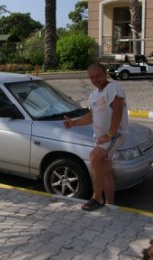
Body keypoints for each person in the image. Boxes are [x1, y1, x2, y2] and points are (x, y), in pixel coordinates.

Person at [63, 63, 129, 211]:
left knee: (94, 157)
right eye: (92, 77)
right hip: (101, 138)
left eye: (98, 75)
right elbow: (91, 116)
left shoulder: (113, 88)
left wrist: (110, 134)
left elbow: (118, 110)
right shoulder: (94, 95)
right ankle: (110, 204)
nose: (95, 79)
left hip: (114, 136)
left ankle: (96, 197)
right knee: (104, 170)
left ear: (105, 73)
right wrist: (73, 123)